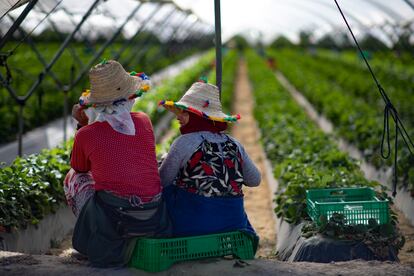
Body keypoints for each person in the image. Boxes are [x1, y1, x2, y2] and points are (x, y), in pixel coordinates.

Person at [64, 59, 170, 267]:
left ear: (97, 104)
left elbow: (80, 167)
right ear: (129, 96)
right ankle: (135, 235)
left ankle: (96, 233)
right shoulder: (143, 120)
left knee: (74, 177)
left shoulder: (87, 134)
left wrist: (82, 124)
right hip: (153, 212)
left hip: (115, 215)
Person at [158, 80, 261, 247]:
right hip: (233, 223)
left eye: (184, 112)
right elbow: (255, 180)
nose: (178, 116)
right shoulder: (234, 143)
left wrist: (164, 161)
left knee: (165, 188)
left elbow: (163, 181)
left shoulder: (184, 142)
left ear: (197, 116)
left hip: (193, 225)